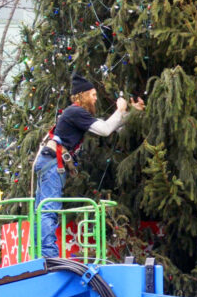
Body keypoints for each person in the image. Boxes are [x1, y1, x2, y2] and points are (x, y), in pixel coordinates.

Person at [33, 73, 144, 258]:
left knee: (42, 209)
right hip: (53, 162)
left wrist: (130, 112)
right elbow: (106, 129)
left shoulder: (76, 114)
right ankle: (47, 256)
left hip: (49, 161)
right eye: (93, 95)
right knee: (48, 209)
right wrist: (120, 109)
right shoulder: (75, 112)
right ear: (82, 95)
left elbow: (112, 126)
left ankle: (41, 253)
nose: (95, 99)